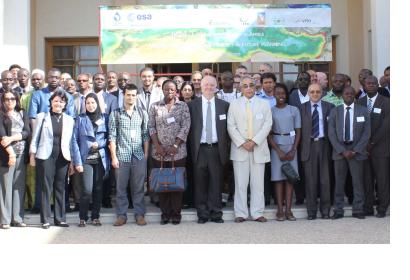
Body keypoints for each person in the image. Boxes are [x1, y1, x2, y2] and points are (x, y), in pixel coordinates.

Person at [227, 76, 272, 223]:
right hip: (240, 149)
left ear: (255, 87)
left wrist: (254, 141)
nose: (248, 88)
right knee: (240, 183)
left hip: (258, 148)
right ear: (240, 88)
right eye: (245, 86)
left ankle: (257, 212)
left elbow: (268, 125)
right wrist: (242, 142)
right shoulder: (234, 104)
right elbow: (230, 126)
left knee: (258, 184)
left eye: (251, 85)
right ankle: (240, 213)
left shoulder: (264, 104)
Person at [29, 90, 75, 229]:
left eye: (61, 101)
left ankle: (60, 219)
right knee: (46, 188)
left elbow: (70, 142)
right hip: (45, 156)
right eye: (55, 101)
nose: (58, 103)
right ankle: (45, 219)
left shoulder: (69, 119)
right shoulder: (42, 117)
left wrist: (72, 161)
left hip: (63, 157)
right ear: (51, 102)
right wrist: (32, 154)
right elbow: (35, 137)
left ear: (65, 103)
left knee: (61, 188)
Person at [188, 75, 229, 224]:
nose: (209, 87)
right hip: (200, 149)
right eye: (206, 85)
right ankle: (203, 213)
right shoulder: (193, 105)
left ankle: (216, 212)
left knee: (216, 182)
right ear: (201, 86)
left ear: (216, 87)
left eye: (212, 85)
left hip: (217, 149)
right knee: (200, 183)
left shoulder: (224, 105)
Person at [148, 80, 191, 225]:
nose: (169, 92)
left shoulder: (183, 106)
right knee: (163, 184)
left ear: (176, 90)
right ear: (162, 90)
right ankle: (165, 214)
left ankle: (176, 213)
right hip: (159, 153)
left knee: (176, 183)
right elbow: (151, 127)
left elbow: (186, 126)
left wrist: (175, 144)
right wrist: (157, 145)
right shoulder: (155, 106)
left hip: (177, 152)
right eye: (167, 89)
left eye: (172, 89)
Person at [108, 83, 149, 226]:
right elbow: (112, 137)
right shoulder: (116, 113)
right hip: (122, 156)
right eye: (128, 94)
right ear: (123, 95)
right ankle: (121, 215)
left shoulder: (142, 113)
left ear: (136, 96)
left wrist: (146, 155)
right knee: (121, 188)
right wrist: (114, 157)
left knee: (138, 187)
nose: (130, 97)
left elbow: (145, 135)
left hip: (138, 155)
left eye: (133, 95)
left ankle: (139, 215)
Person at [328, 86, 370, 219]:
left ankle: (358, 209)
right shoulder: (335, 111)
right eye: (346, 93)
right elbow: (331, 133)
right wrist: (342, 150)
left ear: (354, 96)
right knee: (339, 183)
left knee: (358, 183)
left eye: (352, 93)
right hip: (340, 152)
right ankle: (338, 210)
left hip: (357, 152)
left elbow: (366, 133)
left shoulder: (363, 111)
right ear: (342, 96)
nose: (349, 95)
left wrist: (356, 150)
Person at [71, 94, 110, 227]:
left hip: (100, 157)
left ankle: (95, 216)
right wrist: (77, 162)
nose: (91, 105)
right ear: (84, 105)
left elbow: (110, 137)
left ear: (97, 103)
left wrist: (100, 144)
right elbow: (74, 141)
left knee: (98, 189)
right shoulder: (80, 119)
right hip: (85, 158)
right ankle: (83, 217)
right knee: (87, 189)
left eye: (93, 102)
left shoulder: (104, 118)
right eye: (88, 103)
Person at [300, 84, 334, 220]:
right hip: (308, 146)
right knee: (310, 181)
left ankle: (325, 210)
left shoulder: (329, 107)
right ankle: (311, 211)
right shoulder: (301, 108)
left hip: (324, 144)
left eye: (317, 92)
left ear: (322, 93)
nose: (315, 94)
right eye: (312, 92)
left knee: (325, 180)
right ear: (308, 93)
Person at [357, 75, 390, 218]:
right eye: (367, 83)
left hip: (381, 147)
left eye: (373, 83)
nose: (370, 85)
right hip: (363, 149)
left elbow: (385, 126)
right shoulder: (359, 102)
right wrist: (364, 144)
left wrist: (371, 142)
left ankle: (382, 208)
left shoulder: (387, 102)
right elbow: (357, 126)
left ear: (378, 85)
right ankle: (368, 207)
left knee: (382, 179)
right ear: (364, 86)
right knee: (366, 180)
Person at [268, 83, 301, 221]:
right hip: (277, 147)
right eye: (278, 93)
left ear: (286, 95)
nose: (281, 96)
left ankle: (288, 210)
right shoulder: (270, 110)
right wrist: (278, 150)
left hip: (291, 146)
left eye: (283, 93)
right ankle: (280, 210)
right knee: (278, 179)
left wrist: (294, 149)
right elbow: (268, 134)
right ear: (274, 95)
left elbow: (299, 131)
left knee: (290, 178)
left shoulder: (294, 110)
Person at [0, 91, 31, 229]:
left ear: (17, 99)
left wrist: (12, 138)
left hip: (22, 153)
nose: (10, 101)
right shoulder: (1, 114)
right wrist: (11, 153)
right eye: (6, 99)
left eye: (12, 98)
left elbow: (27, 132)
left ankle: (17, 218)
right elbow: (1, 136)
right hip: (6, 155)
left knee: (19, 186)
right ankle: (5, 220)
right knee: (6, 187)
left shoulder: (22, 113)